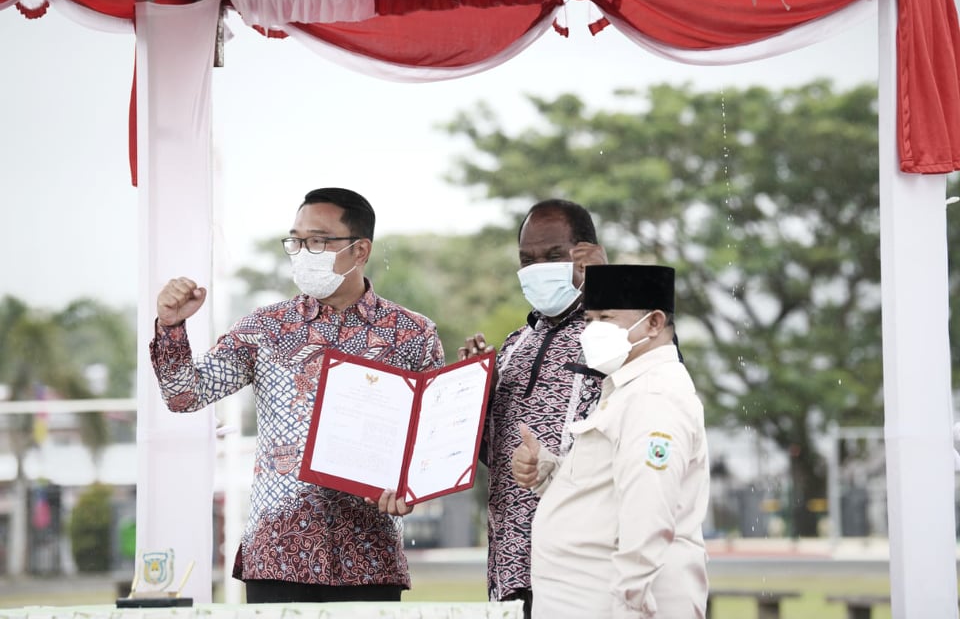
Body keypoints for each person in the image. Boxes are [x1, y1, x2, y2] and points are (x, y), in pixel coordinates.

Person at [149, 187, 445, 603]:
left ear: (360, 251)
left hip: (368, 556)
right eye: (297, 240)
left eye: (319, 240)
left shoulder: (412, 334)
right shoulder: (266, 328)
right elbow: (183, 395)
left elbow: (432, 439)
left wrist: (411, 490)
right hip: (278, 555)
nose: (304, 251)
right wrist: (171, 327)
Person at [513, 264, 710, 618]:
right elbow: (607, 491)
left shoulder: (654, 397)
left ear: (654, 323)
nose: (592, 331)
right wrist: (548, 470)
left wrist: (630, 605)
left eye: (606, 317)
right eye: (588, 320)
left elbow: (648, 512)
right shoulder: (626, 390)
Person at [457, 199, 608, 618]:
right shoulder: (513, 345)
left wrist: (608, 283)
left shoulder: (614, 333)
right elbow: (496, 456)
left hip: (582, 560)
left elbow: (663, 370)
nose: (539, 267)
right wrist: (476, 392)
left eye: (554, 256)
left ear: (587, 254)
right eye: (528, 259)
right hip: (510, 563)